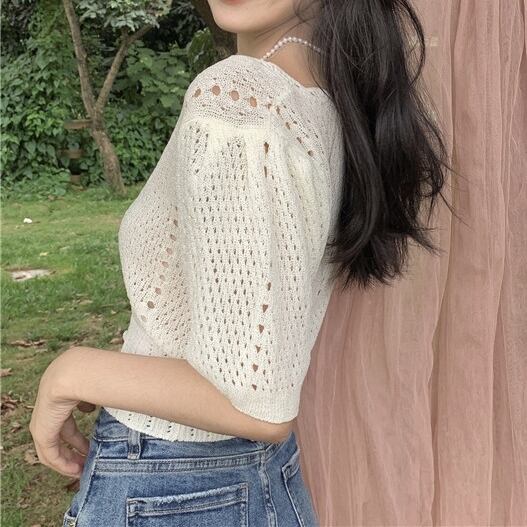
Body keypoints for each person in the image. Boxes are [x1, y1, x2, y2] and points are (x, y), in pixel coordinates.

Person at [29, 1, 450, 525]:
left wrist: (70, 372)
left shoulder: (240, 99)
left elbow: (252, 403)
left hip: (172, 485)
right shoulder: (325, 95)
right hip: (257, 480)